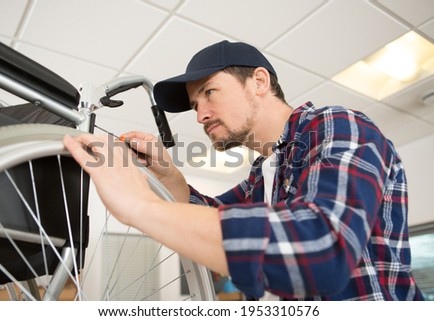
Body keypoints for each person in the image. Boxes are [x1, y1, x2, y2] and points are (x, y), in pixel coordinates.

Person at [63, 40, 424, 300]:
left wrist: (139, 206)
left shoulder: (336, 124)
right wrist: (170, 177)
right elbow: (210, 218)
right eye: (194, 104)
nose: (200, 114)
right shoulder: (263, 173)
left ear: (260, 82)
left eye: (209, 92)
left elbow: (322, 251)